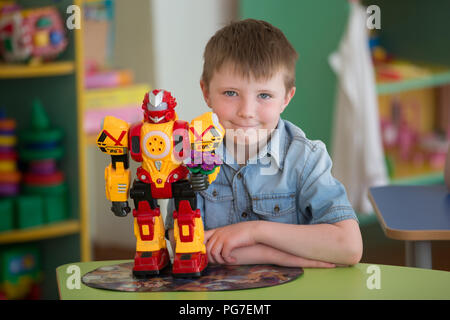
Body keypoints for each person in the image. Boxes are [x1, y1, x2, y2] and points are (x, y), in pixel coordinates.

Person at [165, 19, 363, 268]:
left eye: (264, 95)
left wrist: (254, 231)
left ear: (286, 98)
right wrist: (276, 256)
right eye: (230, 93)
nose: (247, 112)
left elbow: (349, 247)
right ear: (206, 92)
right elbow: (181, 245)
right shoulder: (190, 157)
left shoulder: (305, 158)